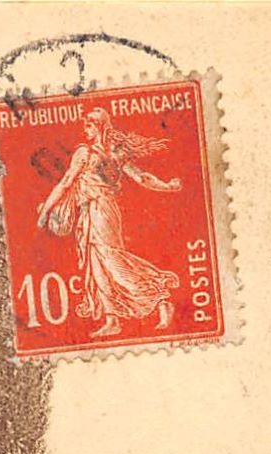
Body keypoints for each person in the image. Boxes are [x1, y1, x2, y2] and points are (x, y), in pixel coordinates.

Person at [34, 106, 182, 339]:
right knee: (96, 264)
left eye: (90, 125)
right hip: (88, 211)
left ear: (101, 125)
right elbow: (67, 182)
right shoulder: (107, 153)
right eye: (85, 125)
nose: (86, 129)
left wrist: (46, 212)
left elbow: (66, 182)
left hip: (101, 209)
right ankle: (112, 319)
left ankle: (160, 299)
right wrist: (167, 186)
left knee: (112, 260)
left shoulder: (95, 153)